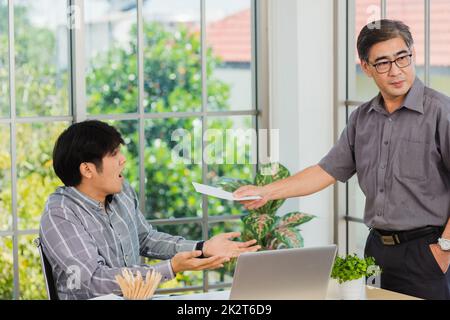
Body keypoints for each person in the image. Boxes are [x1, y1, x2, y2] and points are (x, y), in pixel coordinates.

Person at [233, 19, 450, 300]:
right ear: (366, 67)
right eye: (382, 62)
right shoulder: (362, 118)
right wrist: (265, 192)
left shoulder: (441, 112)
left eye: (402, 58)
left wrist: (444, 248)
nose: (396, 71)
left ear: (412, 54)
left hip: (428, 252)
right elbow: (327, 170)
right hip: (377, 251)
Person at [39, 120, 260, 300]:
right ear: (87, 169)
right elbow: (90, 282)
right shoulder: (61, 213)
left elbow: (146, 239)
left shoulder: (121, 191)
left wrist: (202, 247)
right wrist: (170, 268)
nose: (123, 160)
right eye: (114, 154)